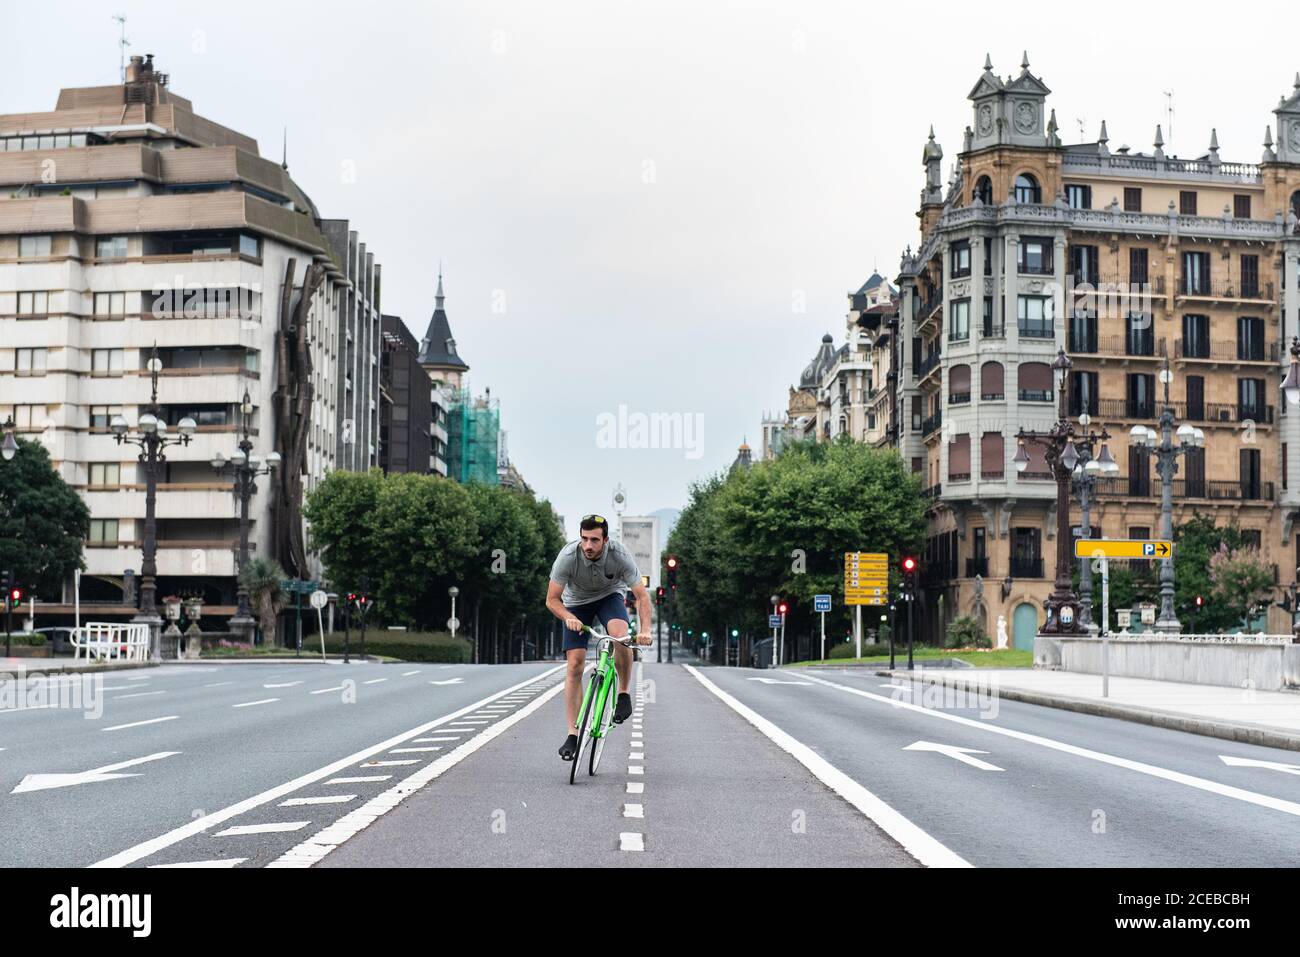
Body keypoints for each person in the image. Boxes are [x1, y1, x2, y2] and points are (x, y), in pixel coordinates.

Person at [546, 514, 652, 761]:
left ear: (605, 540)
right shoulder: (568, 557)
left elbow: (642, 596)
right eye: (584, 539)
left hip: (609, 597)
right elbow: (551, 599)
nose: (588, 546)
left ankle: (623, 694)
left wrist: (645, 630)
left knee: (620, 636)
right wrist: (567, 617)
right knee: (574, 664)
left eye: (594, 540)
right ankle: (573, 734)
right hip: (575, 604)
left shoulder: (619, 554)